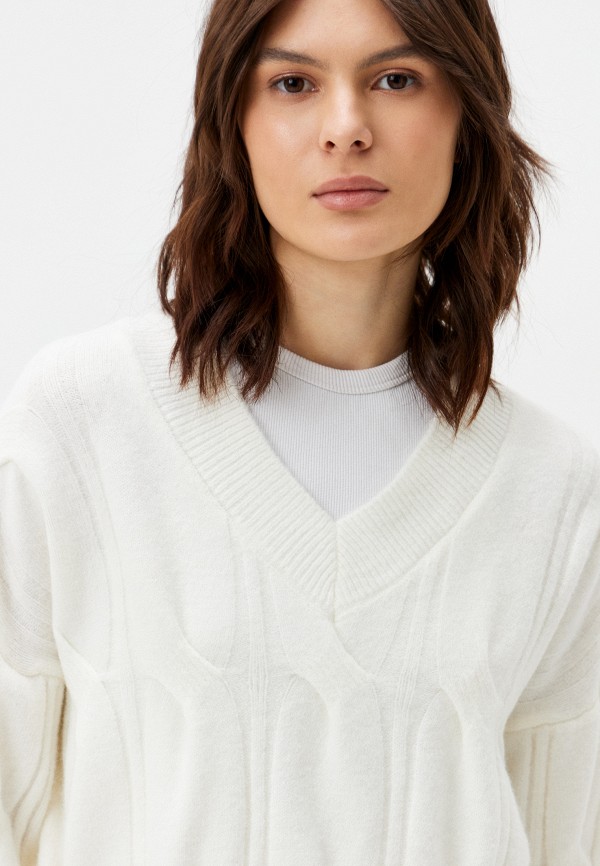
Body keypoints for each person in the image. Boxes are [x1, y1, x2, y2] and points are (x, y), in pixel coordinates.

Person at [1, 0, 599, 863]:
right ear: (232, 123)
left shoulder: (552, 487)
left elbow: (562, 836)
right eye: (293, 83)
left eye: (397, 79)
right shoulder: (83, 425)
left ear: (466, 115)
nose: (346, 127)